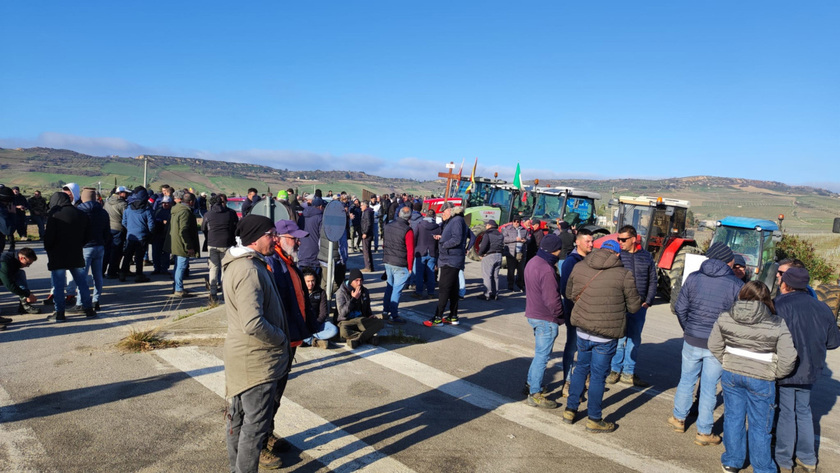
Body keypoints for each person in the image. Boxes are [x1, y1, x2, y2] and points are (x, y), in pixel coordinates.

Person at [222, 214, 290, 472]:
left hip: (246, 357)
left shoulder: (245, 263)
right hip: (256, 360)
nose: (276, 239)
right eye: (271, 234)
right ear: (254, 239)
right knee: (254, 426)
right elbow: (253, 323)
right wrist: (280, 338)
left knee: (238, 419)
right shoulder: (248, 269)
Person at [707, 281, 797, 473]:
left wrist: (728, 361)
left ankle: (732, 461)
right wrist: (774, 372)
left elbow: (713, 344)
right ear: (766, 299)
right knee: (760, 425)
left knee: (733, 418)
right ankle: (763, 468)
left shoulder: (725, 317)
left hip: (732, 375)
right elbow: (789, 357)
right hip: (762, 379)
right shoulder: (777, 323)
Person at [670, 242, 744, 446]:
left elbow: (680, 307)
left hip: (692, 338)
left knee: (686, 379)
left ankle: (678, 419)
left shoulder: (693, 278)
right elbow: (739, 317)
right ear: (725, 260)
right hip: (717, 344)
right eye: (731, 259)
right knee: (709, 387)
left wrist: (689, 328)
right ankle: (704, 432)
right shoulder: (736, 285)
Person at [563, 239, 641, 433]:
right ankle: (594, 418)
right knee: (598, 376)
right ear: (616, 254)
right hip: (606, 335)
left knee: (580, 368)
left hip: (582, 329)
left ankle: (570, 410)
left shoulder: (580, 266)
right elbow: (634, 307)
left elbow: (570, 293)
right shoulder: (624, 274)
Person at [773, 267, 840, 473]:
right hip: (810, 368)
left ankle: (784, 460)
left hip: (785, 366)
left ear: (786, 284)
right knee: (803, 411)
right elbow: (833, 342)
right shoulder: (822, 308)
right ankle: (808, 457)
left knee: (786, 412)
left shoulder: (778, 305)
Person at [607, 225, 657, 387]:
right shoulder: (618, 257)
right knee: (620, 338)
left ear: (634, 239)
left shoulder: (646, 257)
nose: (620, 242)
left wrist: (648, 301)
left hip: (639, 306)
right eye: (619, 239)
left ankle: (628, 372)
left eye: (623, 239)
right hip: (621, 305)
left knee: (634, 340)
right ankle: (615, 370)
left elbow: (653, 280)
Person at [522, 234, 565, 409]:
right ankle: (535, 394)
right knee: (542, 356)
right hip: (545, 318)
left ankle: (531, 384)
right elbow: (552, 300)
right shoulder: (547, 269)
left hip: (533, 314)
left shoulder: (533, 262)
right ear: (555, 249)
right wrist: (561, 315)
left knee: (539, 354)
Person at [44, 192, 94, 322]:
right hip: (76, 253)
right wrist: (79, 244)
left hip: (58, 255)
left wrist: (49, 248)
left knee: (59, 285)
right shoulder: (81, 214)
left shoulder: (55, 214)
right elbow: (88, 235)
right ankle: (88, 309)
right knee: (82, 283)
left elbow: (49, 238)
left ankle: (59, 312)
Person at [559, 228, 594, 396]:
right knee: (572, 346)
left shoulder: (592, 260)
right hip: (574, 312)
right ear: (578, 242)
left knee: (586, 349)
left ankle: (582, 380)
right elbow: (565, 289)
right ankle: (567, 382)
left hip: (589, 313)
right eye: (588, 241)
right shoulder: (570, 262)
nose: (591, 244)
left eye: (592, 241)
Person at [425, 202, 468, 327]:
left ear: (449, 210)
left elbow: (457, 239)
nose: (442, 214)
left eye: (443, 212)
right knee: (453, 289)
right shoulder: (455, 221)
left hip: (450, 260)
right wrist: (442, 238)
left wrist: (443, 244)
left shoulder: (457, 221)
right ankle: (453, 316)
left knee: (443, 289)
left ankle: (438, 317)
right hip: (451, 259)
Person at [71, 189, 110, 312]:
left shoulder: (79, 212)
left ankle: (80, 302)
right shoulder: (103, 212)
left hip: (85, 247)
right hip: (99, 246)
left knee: (82, 277)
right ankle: (96, 300)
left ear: (82, 198)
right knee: (97, 276)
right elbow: (107, 231)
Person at [202, 193, 238, 303]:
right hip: (227, 243)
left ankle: (213, 293)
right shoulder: (230, 213)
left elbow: (203, 228)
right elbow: (235, 228)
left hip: (212, 243)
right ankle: (224, 292)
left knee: (213, 268)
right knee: (225, 269)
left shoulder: (208, 215)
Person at [336, 269, 385, 347]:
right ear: (351, 281)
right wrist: (354, 299)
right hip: (347, 321)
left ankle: (358, 340)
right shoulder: (341, 292)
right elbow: (342, 313)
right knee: (344, 332)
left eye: (361, 280)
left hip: (361, 319)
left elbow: (367, 308)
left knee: (380, 323)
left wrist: (370, 315)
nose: (359, 283)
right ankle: (369, 338)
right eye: (356, 280)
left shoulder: (364, 291)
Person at [382, 206, 414, 324]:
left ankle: (385, 311)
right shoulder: (407, 230)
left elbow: (384, 244)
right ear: (409, 217)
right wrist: (410, 267)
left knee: (389, 286)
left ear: (399, 214)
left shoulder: (388, 226)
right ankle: (393, 315)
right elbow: (410, 251)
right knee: (397, 290)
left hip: (388, 260)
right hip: (400, 263)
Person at [165, 190, 200, 297]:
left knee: (177, 266)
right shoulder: (185, 212)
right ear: (191, 202)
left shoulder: (177, 210)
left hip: (175, 243)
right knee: (181, 266)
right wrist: (188, 246)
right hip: (181, 245)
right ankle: (179, 289)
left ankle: (176, 286)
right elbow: (184, 230)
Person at [120, 186, 154, 283]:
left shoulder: (128, 208)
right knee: (139, 256)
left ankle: (122, 273)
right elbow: (151, 225)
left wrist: (130, 229)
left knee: (127, 255)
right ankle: (139, 275)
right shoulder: (147, 210)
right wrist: (149, 233)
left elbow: (124, 222)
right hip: (142, 236)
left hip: (130, 235)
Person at [0, 247, 40, 327]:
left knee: (20, 273)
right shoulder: (5, 262)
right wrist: (27, 294)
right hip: (3, 276)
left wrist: (26, 294)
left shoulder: (15, 260)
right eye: (27, 263)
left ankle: (24, 304)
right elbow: (9, 285)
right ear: (21, 258)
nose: (27, 266)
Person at [302, 268, 338, 348]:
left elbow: (323, 313)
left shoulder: (321, 292)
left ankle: (308, 339)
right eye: (308, 281)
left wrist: (316, 324)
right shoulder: (299, 292)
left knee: (333, 329)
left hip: (317, 323)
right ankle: (314, 340)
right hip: (303, 324)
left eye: (312, 281)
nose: (311, 284)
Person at [411, 208, 441, 299]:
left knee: (419, 274)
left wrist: (415, 249)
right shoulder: (438, 227)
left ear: (425, 215)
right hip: (432, 252)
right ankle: (431, 292)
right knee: (431, 273)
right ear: (434, 216)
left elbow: (414, 238)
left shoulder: (420, 225)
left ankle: (419, 292)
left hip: (420, 251)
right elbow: (439, 243)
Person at [104, 186, 129, 279]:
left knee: (107, 250)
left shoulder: (107, 202)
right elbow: (126, 218)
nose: (127, 195)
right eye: (126, 193)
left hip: (108, 228)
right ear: (120, 193)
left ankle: (102, 271)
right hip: (118, 228)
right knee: (116, 252)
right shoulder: (123, 205)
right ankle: (112, 272)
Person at [477, 218, 504, 301]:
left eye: (486, 224)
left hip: (489, 256)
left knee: (487, 275)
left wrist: (480, 254)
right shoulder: (500, 234)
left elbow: (484, 245)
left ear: (489, 226)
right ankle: (495, 294)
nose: (485, 226)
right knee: (495, 276)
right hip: (499, 255)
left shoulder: (487, 234)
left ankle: (487, 294)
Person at [297, 196, 324, 276]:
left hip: (302, 255)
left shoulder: (302, 217)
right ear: (320, 207)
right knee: (314, 284)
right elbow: (322, 238)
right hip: (315, 257)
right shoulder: (320, 218)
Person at [502, 216, 528, 292]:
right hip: (511, 252)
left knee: (521, 270)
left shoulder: (524, 230)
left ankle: (520, 285)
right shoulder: (507, 229)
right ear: (512, 221)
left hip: (521, 253)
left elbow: (529, 239)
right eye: (515, 221)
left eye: (518, 221)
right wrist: (515, 239)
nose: (516, 223)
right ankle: (510, 285)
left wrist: (525, 240)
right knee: (511, 270)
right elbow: (504, 239)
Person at [151, 196, 172, 276]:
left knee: (166, 252)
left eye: (167, 203)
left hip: (167, 234)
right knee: (156, 252)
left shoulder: (172, 211)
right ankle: (156, 268)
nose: (165, 204)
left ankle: (164, 268)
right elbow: (153, 219)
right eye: (164, 203)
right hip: (157, 233)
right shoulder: (158, 210)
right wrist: (161, 221)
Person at [359, 200, 375, 272]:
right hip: (368, 233)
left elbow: (368, 223)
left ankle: (368, 267)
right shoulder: (367, 212)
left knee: (366, 251)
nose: (360, 207)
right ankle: (370, 266)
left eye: (362, 205)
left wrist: (365, 232)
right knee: (367, 250)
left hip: (367, 234)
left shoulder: (367, 212)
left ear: (365, 205)